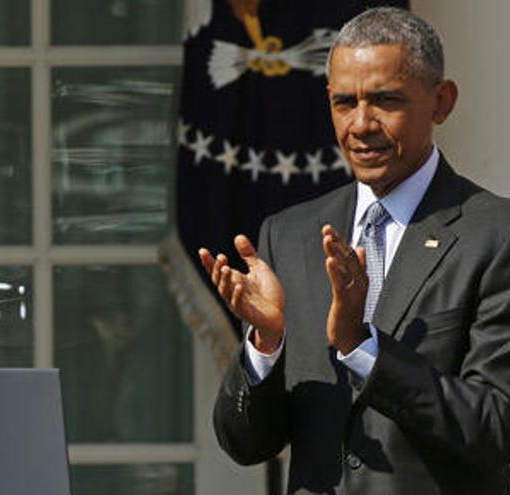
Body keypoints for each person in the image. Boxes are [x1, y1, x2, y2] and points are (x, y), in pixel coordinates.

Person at [199, 7, 510, 493]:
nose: (361, 124)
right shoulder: (289, 235)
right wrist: (265, 345)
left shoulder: (494, 234)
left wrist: (363, 349)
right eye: (345, 102)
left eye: (385, 101)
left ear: (441, 102)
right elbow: (246, 445)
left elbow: (497, 430)